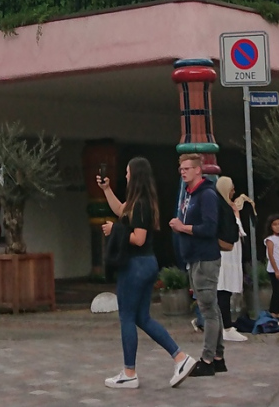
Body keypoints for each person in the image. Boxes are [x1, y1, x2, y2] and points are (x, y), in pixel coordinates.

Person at [98, 157, 197, 389]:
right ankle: (180, 358)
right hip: (146, 265)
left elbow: (139, 238)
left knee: (127, 317)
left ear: (136, 175)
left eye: (128, 172)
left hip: (136, 266)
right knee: (142, 318)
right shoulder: (139, 202)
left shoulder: (140, 204)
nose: (125, 176)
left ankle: (129, 372)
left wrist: (115, 230)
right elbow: (120, 210)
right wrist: (106, 189)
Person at [170, 153, 225, 375]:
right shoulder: (189, 194)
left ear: (197, 170)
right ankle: (218, 357)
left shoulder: (207, 194)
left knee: (208, 310)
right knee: (211, 308)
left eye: (187, 168)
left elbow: (210, 228)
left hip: (205, 259)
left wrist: (183, 228)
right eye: (181, 169)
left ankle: (208, 360)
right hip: (194, 258)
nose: (183, 172)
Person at [214, 176, 252, 343]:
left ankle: (225, 325)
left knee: (226, 291)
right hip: (225, 255)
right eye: (231, 189)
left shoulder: (226, 207)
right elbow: (235, 231)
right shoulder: (222, 208)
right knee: (223, 290)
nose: (233, 192)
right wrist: (235, 214)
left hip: (231, 255)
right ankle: (226, 327)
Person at [262, 214, 279, 324]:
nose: (278, 227)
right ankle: (273, 312)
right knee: (276, 291)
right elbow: (270, 255)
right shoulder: (270, 239)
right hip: (275, 269)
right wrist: (276, 270)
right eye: (275, 224)